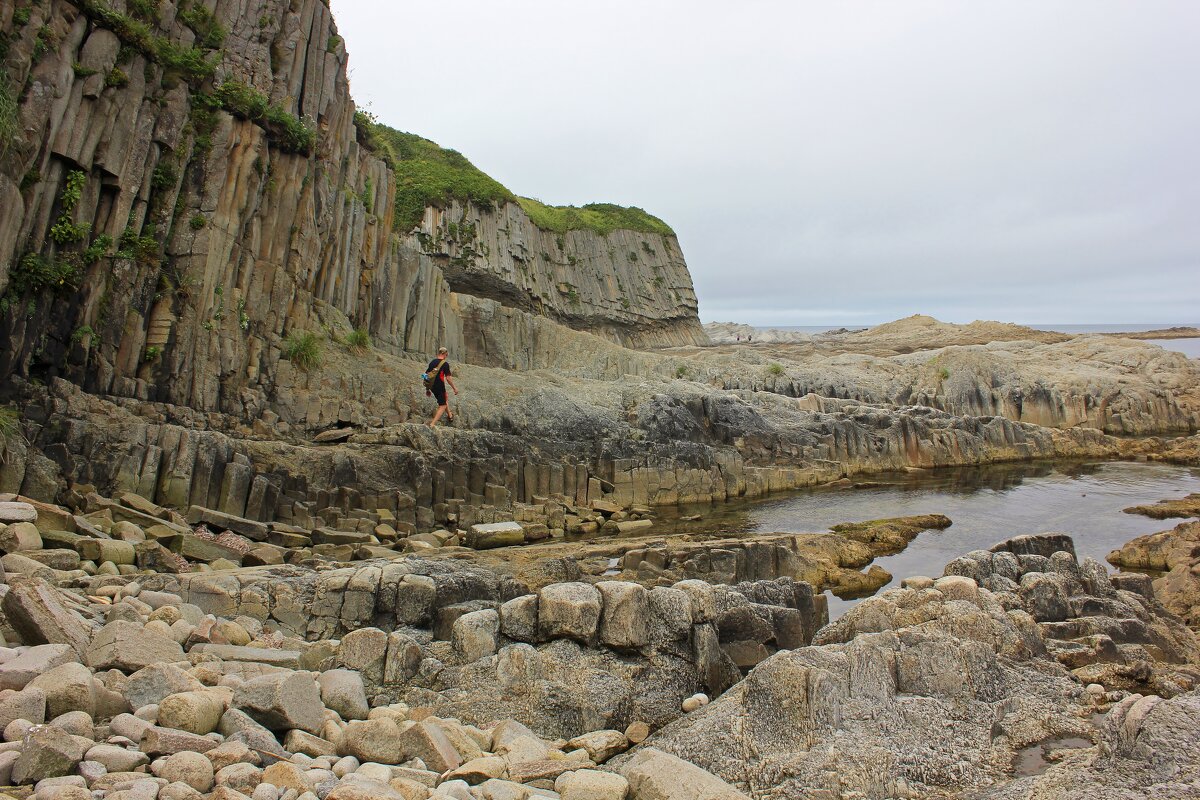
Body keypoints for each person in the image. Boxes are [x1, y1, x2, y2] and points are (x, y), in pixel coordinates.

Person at [426, 346, 458, 427]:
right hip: (439, 386)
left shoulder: (432, 362)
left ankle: (450, 416)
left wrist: (428, 389)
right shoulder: (445, 364)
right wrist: (454, 388)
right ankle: (432, 424)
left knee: (445, 397)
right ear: (445, 354)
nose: (446, 356)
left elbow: (426, 376)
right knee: (442, 405)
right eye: (446, 354)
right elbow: (448, 378)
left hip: (432, 386)